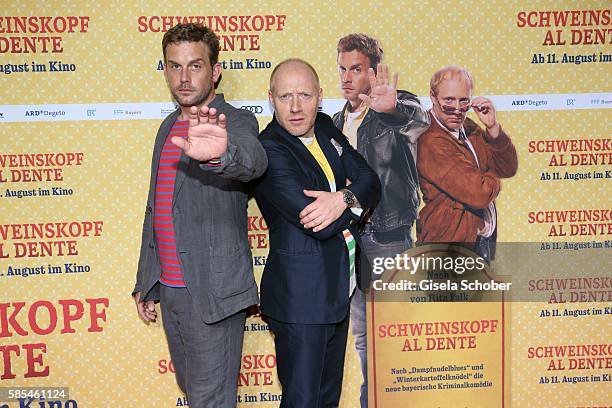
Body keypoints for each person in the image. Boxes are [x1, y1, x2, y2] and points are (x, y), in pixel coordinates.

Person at [132, 23, 267, 408]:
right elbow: (156, 208)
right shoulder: (166, 128)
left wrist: (220, 154)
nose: (184, 77)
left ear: (215, 71)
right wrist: (147, 277)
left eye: (195, 66)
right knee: (195, 395)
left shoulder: (235, 121)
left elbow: (252, 161)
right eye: (174, 66)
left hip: (212, 292)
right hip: (172, 291)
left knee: (211, 401)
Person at [254, 58, 381, 408]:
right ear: (271, 98)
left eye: (305, 95)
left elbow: (370, 179)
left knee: (327, 400)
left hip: (338, 289)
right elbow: (318, 222)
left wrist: (343, 198)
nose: (296, 107)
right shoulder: (269, 148)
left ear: (321, 97)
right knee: (303, 402)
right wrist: (353, 203)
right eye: (285, 97)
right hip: (301, 299)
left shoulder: (324, 127)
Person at [333, 33, 430, 407]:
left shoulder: (397, 104)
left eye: (355, 69)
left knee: (391, 337)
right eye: (342, 69)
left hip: (388, 237)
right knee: (363, 338)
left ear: (373, 71)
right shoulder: (337, 119)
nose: (346, 77)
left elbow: (418, 125)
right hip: (352, 240)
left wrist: (389, 109)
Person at [417, 65, 518, 260]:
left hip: (478, 244)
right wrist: (492, 174)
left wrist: (492, 128)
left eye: (463, 101)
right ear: (432, 97)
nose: (456, 110)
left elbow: (508, 167)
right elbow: (478, 193)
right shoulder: (431, 140)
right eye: (449, 100)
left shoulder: (468, 127)